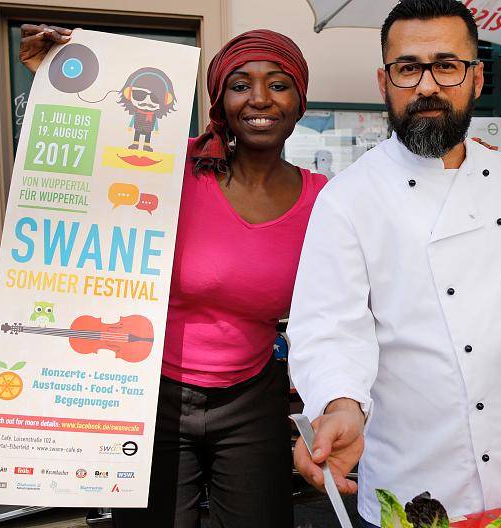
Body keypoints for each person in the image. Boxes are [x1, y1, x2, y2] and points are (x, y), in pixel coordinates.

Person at [286, 1, 501, 527]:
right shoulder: (348, 197)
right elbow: (328, 328)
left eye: (446, 65)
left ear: (476, 78)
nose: (427, 85)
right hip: (410, 477)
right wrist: (341, 404)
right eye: (408, 68)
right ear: (384, 82)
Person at [19, 24, 326, 527]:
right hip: (148, 391)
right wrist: (58, 81)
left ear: (299, 102)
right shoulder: (167, 167)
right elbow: (84, 171)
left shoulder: (322, 200)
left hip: (252, 397)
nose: (260, 99)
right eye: (241, 85)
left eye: (278, 84)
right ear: (220, 100)